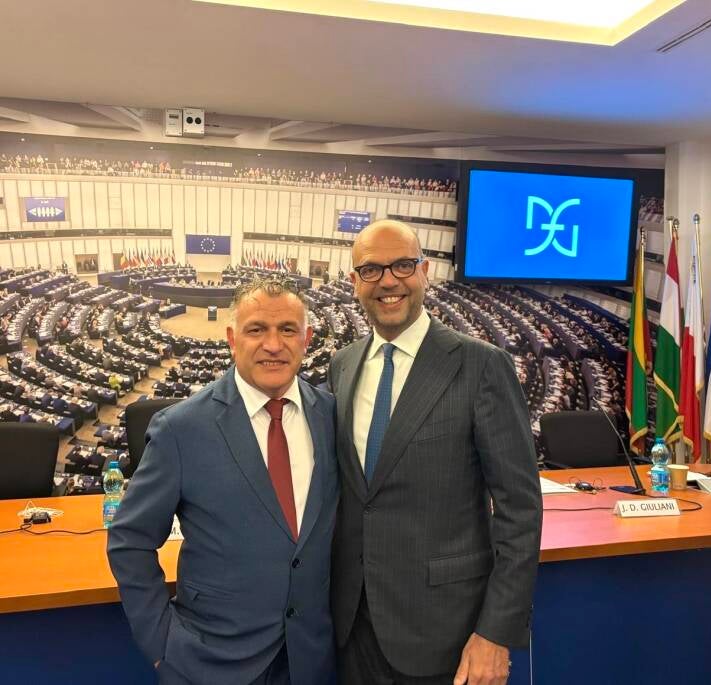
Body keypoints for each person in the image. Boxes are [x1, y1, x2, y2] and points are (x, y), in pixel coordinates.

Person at [328, 220, 542, 685]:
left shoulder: (481, 364)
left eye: (402, 265)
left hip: (447, 633)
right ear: (353, 282)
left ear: (425, 271)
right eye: (370, 270)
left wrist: (496, 632)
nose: (388, 280)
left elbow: (520, 510)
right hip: (351, 628)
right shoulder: (342, 365)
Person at [107, 277, 338, 685]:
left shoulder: (331, 417)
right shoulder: (180, 428)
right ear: (233, 338)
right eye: (256, 329)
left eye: (287, 329)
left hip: (310, 660)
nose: (273, 344)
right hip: (209, 662)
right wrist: (161, 644)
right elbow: (130, 541)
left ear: (307, 339)